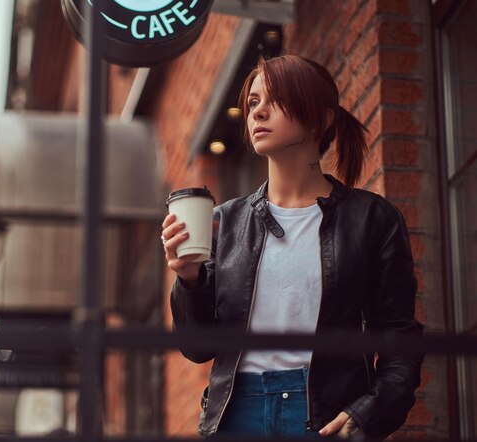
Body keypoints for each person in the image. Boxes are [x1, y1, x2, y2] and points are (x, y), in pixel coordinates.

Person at [161, 55, 423, 439]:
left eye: (275, 98)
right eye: (252, 102)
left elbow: (401, 340)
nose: (257, 112)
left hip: (325, 412)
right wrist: (189, 280)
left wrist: (368, 412)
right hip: (237, 414)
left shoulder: (371, 218)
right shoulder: (225, 222)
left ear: (322, 117)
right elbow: (197, 349)